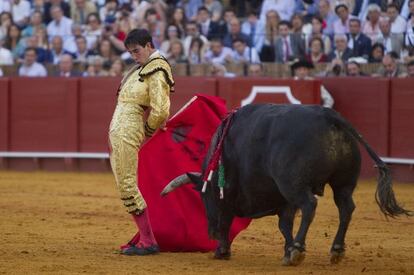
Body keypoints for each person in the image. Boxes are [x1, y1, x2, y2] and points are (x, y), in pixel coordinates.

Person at [108, 28, 174, 256]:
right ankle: (146, 238)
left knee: (127, 184)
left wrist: (147, 131)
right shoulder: (144, 67)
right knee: (124, 182)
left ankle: (148, 241)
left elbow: (161, 109)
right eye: (130, 53)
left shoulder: (157, 67)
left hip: (129, 130)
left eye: (137, 51)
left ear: (149, 45)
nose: (134, 56)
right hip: (122, 131)